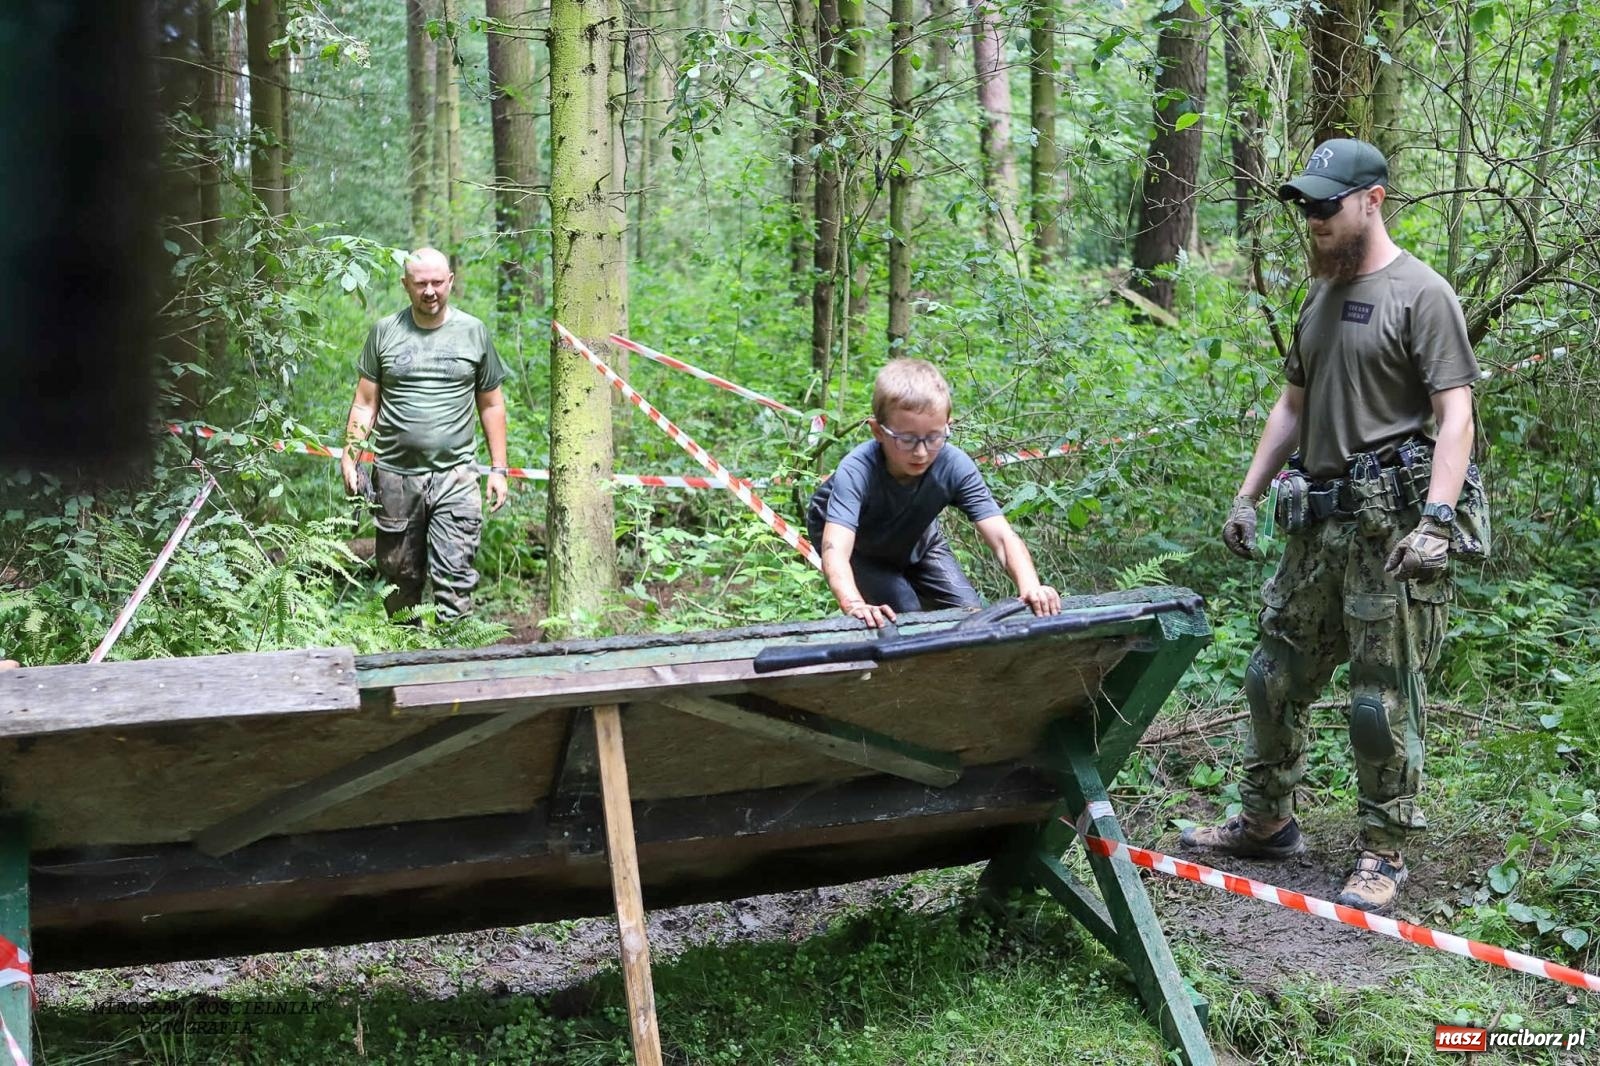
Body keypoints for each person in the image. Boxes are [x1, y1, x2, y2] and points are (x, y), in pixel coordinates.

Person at [1180, 139, 1487, 913]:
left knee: (1378, 703)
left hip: (1390, 536)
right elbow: (1292, 403)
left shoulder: (1423, 294)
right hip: (1313, 528)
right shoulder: (1318, 295)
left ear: (1373, 199)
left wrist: (1438, 521)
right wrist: (1247, 495)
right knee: (1271, 677)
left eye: (1326, 205)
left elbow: (1456, 416)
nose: (1312, 219)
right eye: (1305, 206)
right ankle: (1266, 821)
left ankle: (1383, 853)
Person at [807, 358, 1062, 628]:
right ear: (878, 431)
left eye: (934, 437)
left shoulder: (954, 465)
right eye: (906, 439)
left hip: (918, 540)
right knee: (906, 616)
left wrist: (1031, 587)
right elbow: (835, 549)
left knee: (970, 615)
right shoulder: (856, 470)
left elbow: (1001, 537)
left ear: (947, 426)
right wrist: (855, 605)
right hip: (861, 550)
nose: (921, 452)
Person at [340, 248, 510, 621]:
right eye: (420, 284)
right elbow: (365, 403)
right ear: (406, 286)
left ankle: (454, 667)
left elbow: (491, 404)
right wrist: (349, 456)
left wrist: (499, 468)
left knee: (455, 581)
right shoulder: (385, 332)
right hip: (396, 478)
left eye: (437, 282)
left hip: (456, 476)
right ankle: (404, 665)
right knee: (400, 585)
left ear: (451, 281)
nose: (430, 291)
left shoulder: (473, 332)